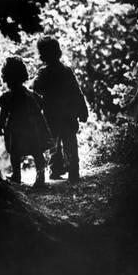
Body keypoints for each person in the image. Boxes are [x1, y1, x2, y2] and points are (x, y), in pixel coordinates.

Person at [32, 36, 88, 183]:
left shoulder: (43, 72)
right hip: (68, 113)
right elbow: (77, 92)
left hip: (51, 114)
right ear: (58, 52)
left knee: (53, 144)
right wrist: (83, 110)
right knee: (70, 141)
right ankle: (73, 170)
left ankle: (55, 170)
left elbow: (35, 87)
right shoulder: (66, 71)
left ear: (42, 55)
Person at [0, 56, 51, 187]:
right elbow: (41, 106)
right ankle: (40, 177)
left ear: (6, 77)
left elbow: (3, 112)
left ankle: (17, 175)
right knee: (37, 152)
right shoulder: (31, 95)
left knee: (15, 154)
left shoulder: (7, 97)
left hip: (16, 130)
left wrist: (0, 126)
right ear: (23, 75)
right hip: (32, 129)